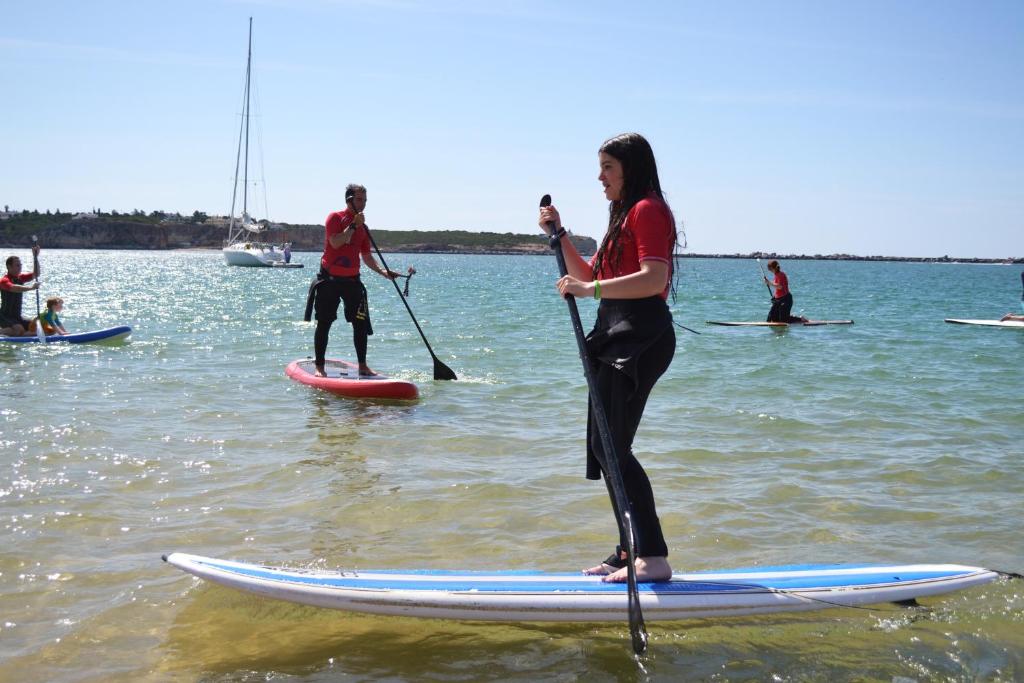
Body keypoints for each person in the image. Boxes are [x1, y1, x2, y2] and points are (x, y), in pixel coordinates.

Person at [538, 132, 679, 583]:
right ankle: (628, 549)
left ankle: (653, 557)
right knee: (605, 448)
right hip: (614, 332)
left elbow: (653, 278)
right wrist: (558, 235)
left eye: (608, 168)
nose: (600, 177)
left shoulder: (648, 209)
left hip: (640, 335)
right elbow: (591, 272)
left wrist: (590, 290)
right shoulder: (622, 215)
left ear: (630, 169)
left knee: (613, 447)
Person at [306, 184, 399, 377]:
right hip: (329, 280)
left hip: (352, 281)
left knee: (360, 323)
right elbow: (336, 242)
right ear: (348, 199)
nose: (363, 204)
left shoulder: (363, 228)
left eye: (365, 200)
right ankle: (319, 367)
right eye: (358, 199)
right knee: (324, 322)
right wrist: (353, 225)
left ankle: (363, 366)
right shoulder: (335, 218)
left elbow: (366, 256)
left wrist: (383, 272)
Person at [0, 246, 41, 336]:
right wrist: (31, 288)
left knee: (38, 326)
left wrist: (35, 257)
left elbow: (36, 273)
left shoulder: (20, 278)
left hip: (17, 317)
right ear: (9, 267)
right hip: (4, 317)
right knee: (19, 330)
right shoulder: (4, 281)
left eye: (20, 265)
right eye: (17, 265)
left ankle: (20, 333)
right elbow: (14, 288)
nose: (20, 267)